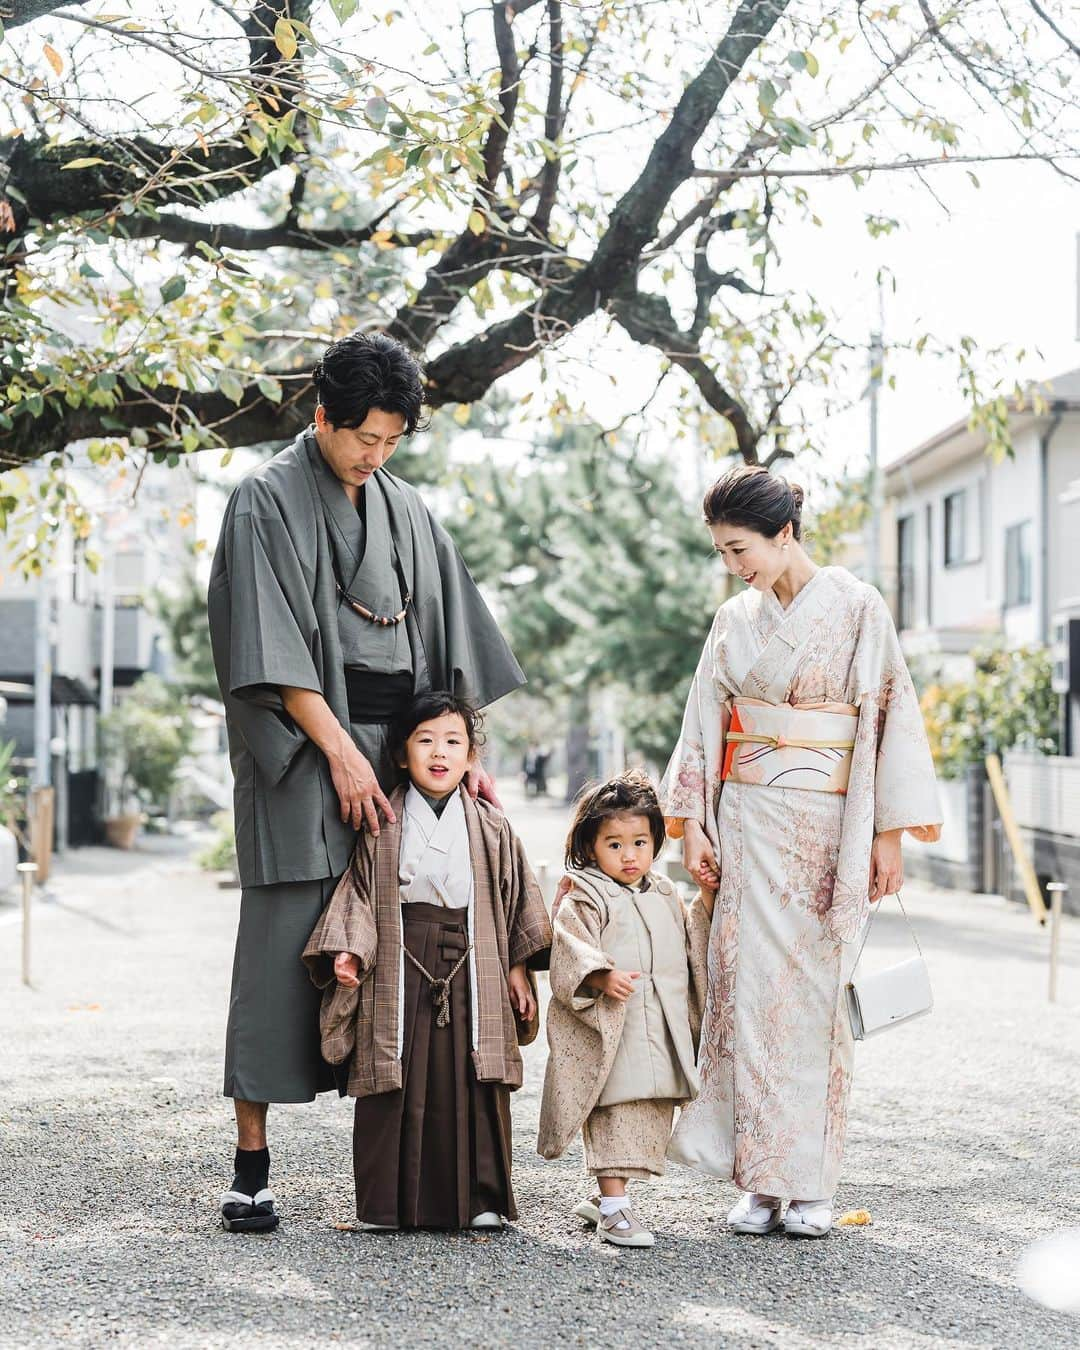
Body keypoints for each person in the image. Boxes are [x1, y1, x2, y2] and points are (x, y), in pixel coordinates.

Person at [208, 332, 526, 1233]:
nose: (374, 456)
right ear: (322, 416)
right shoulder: (263, 499)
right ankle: (252, 1165)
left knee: (404, 943)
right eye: (363, 439)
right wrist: (344, 754)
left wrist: (466, 761)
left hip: (404, 752)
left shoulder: (409, 509)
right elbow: (262, 645)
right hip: (307, 745)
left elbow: (450, 647)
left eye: (391, 442)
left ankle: (411, 1169)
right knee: (282, 944)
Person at [661, 465, 941, 1239]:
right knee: (744, 995)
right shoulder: (734, 620)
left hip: (826, 832)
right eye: (722, 551)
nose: (733, 565)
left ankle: (810, 1182)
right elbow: (703, 722)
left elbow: (888, 714)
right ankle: (757, 1179)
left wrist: (887, 835)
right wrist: (693, 826)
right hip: (748, 823)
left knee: (812, 1007)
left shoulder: (856, 607)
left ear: (785, 532)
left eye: (741, 547)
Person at [303, 692, 552, 1231]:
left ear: (470, 757)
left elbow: (512, 899)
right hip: (397, 955)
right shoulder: (382, 822)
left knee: (474, 1077)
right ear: (400, 754)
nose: (440, 752)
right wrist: (348, 949)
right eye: (426, 740)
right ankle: (387, 1205)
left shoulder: (491, 826)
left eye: (453, 742)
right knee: (396, 1076)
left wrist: (516, 968)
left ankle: (481, 1200)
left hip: (474, 958)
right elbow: (360, 894)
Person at [537, 772, 711, 1249]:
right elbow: (568, 942)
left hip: (661, 1024)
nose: (629, 855)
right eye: (614, 844)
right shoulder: (586, 894)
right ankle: (614, 1209)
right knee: (614, 1108)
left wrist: (709, 898)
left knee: (647, 1113)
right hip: (614, 1028)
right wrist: (597, 974)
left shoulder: (664, 893)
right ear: (590, 847)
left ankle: (606, 1197)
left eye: (640, 841)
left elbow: (692, 941)